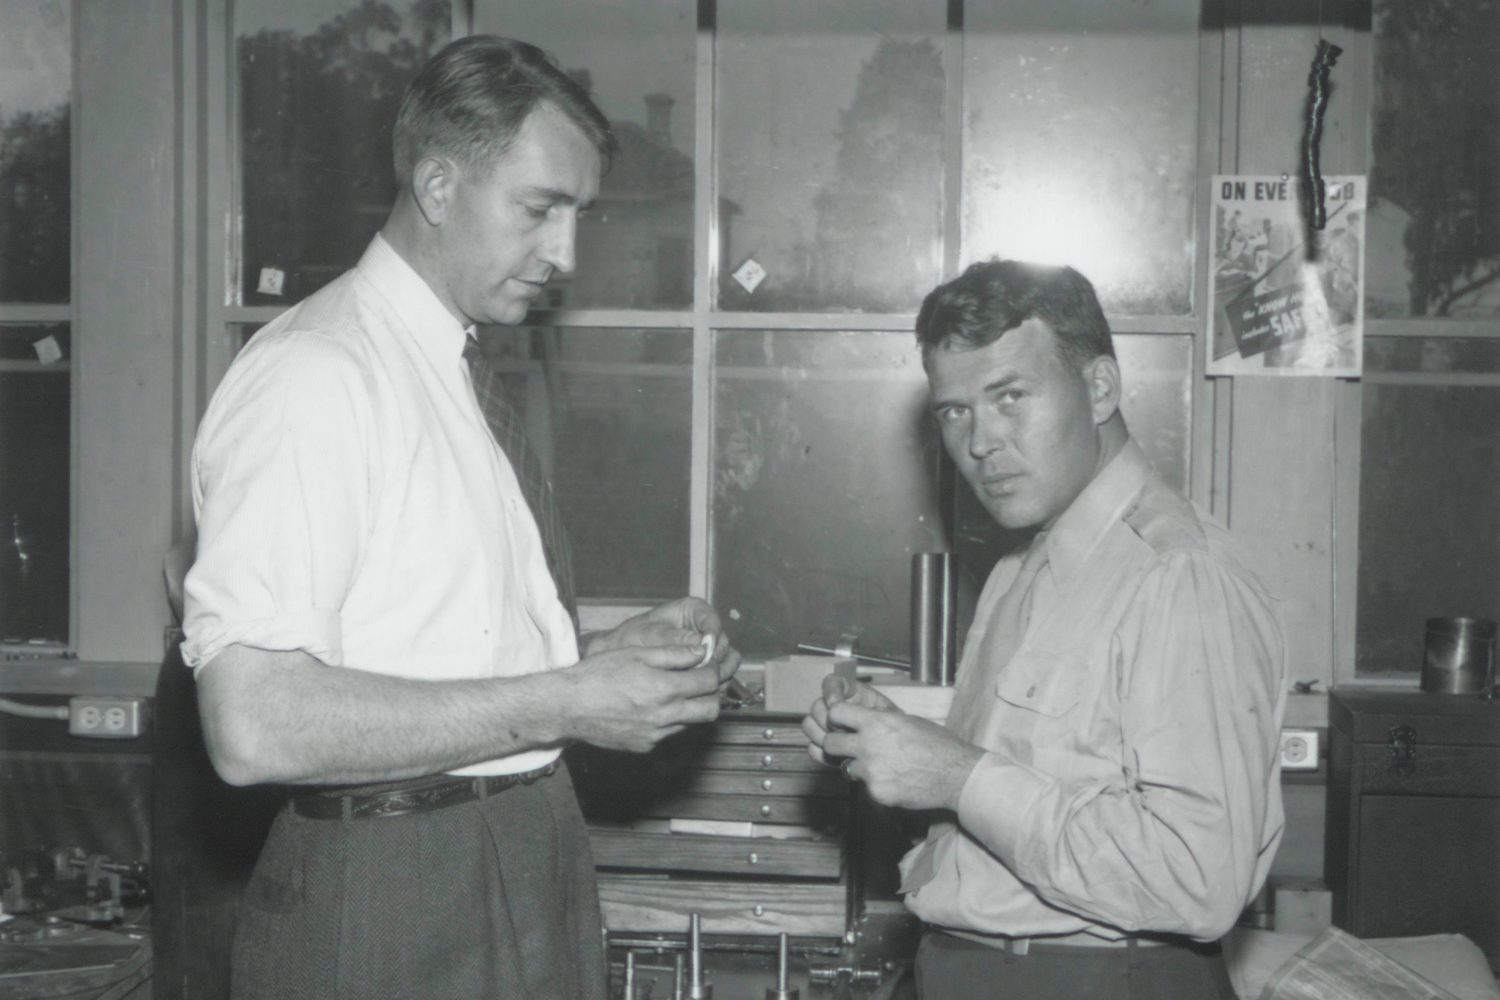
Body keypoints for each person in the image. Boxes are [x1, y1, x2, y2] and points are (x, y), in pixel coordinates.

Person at [181, 35, 740, 1000]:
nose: (565, 254)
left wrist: (595, 661)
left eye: (578, 216)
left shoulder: (449, 371)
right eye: (540, 210)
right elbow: (253, 722)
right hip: (395, 889)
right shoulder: (316, 374)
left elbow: (430, 638)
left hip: (520, 852)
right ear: (438, 186)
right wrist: (564, 699)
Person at [803, 260, 1285, 999]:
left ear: (1099, 388)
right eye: (954, 411)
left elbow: (1199, 877)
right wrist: (893, 750)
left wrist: (956, 775)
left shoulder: (1177, 575)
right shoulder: (1022, 565)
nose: (981, 442)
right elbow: (1027, 797)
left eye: (1010, 398)